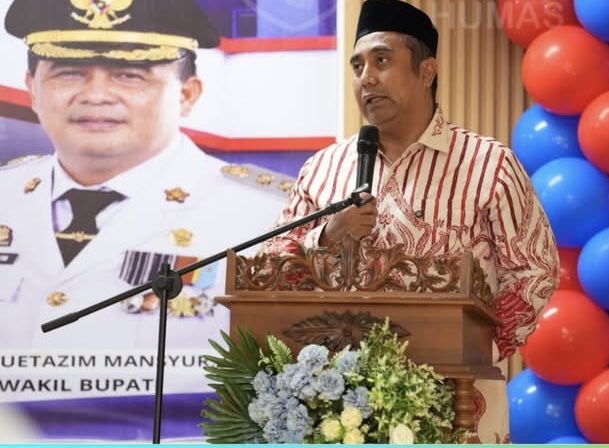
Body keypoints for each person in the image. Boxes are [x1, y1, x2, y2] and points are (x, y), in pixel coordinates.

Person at [260, 0, 560, 442]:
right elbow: (270, 266)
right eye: (358, 66)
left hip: (457, 402)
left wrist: (472, 349)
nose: (366, 78)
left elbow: (535, 271)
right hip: (340, 411)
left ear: (427, 71)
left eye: (382, 61)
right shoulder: (323, 169)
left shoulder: (488, 164)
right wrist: (326, 236)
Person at [0, 0, 293, 442]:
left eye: (129, 75)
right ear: (32, 89)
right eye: (68, 72)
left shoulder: (267, 217)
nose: (96, 94)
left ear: (187, 94)